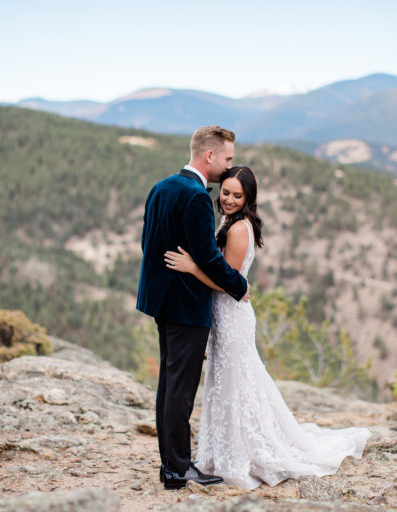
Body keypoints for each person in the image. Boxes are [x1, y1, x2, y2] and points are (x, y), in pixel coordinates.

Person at [164, 166, 371, 490]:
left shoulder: (237, 230)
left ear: (249, 198)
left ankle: (242, 454)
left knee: (234, 385)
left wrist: (192, 268)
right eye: (226, 192)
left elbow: (226, 282)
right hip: (224, 316)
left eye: (237, 195)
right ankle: (223, 451)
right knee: (225, 385)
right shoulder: (229, 223)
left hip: (232, 316)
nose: (229, 199)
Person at [136, 126, 250, 490]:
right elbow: (210, 259)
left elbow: (147, 243)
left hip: (161, 302)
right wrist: (239, 286)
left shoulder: (162, 187)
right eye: (228, 158)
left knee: (168, 385)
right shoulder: (197, 197)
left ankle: (171, 464)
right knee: (181, 389)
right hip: (187, 305)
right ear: (210, 156)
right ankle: (177, 468)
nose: (229, 165)